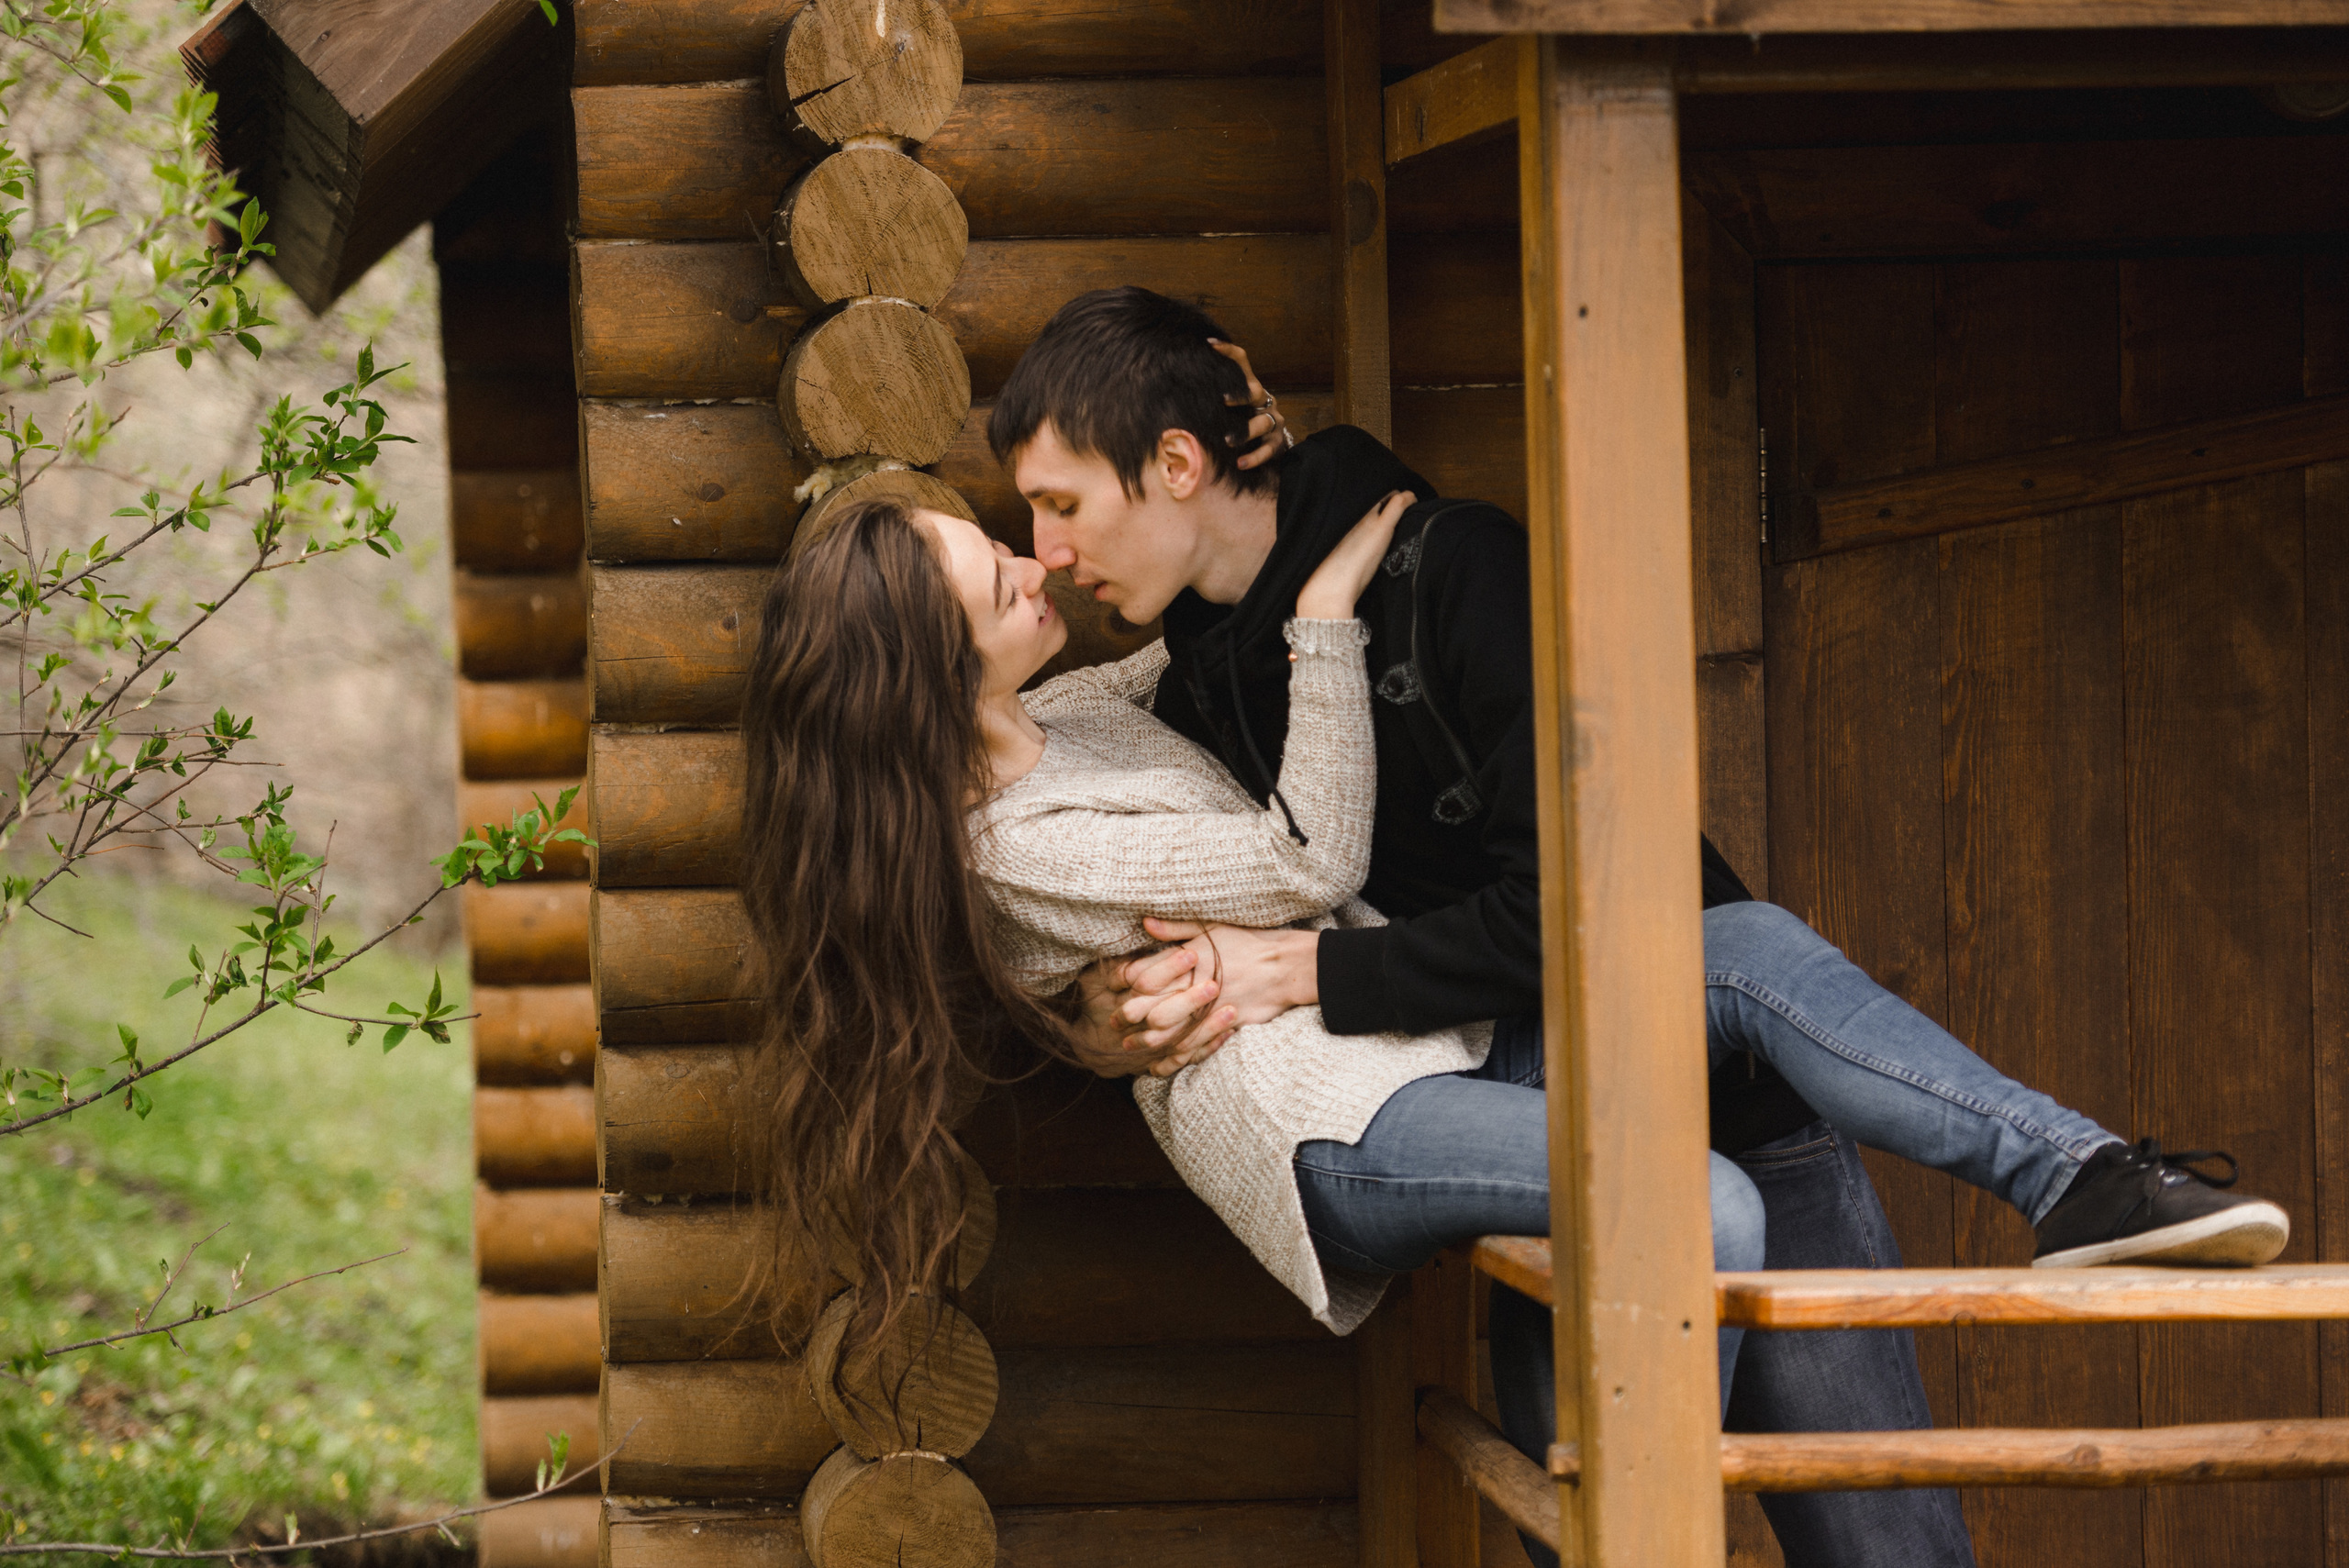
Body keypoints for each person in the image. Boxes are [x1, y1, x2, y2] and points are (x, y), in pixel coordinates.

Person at [959, 286, 2290, 1568]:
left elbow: (1584, 909)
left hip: (1736, 1088)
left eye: (1064, 504)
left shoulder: (1459, 569)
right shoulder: (1188, 673)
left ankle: (2083, 1181)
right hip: (1532, 1105)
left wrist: (1315, 964)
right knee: (1604, 1519)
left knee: (1890, 1540)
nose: (1051, 547)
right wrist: (1093, 1018)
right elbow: (1071, 867)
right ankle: (2083, 1176)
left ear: (1180, 463)